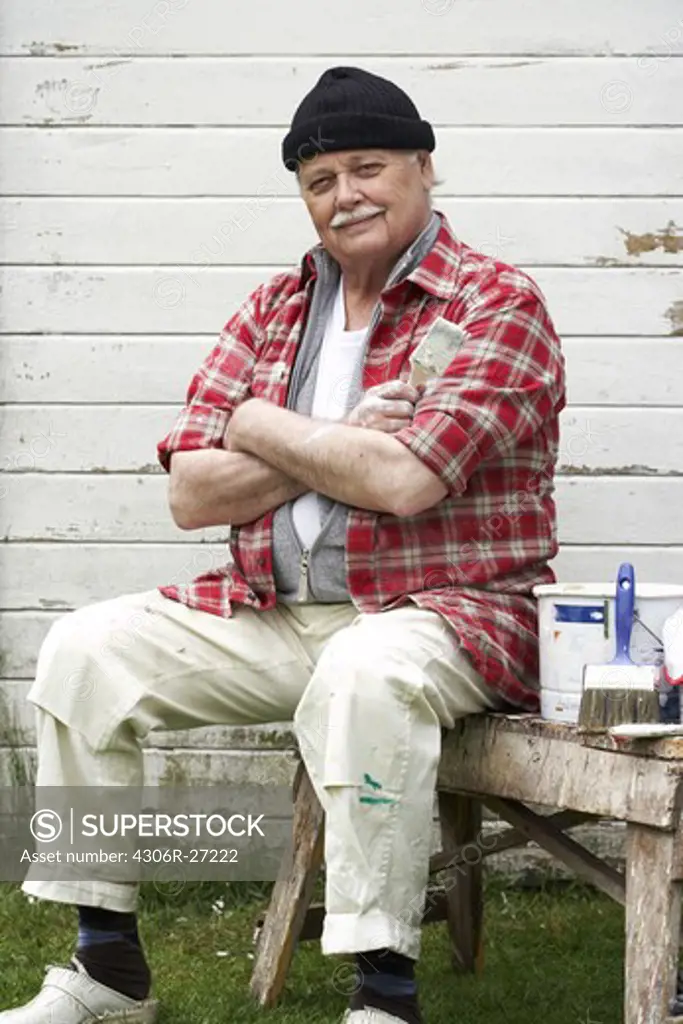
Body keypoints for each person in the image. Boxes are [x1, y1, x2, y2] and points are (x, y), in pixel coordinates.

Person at [1, 66, 566, 1024]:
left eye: (367, 166)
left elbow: (405, 481)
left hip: (448, 615)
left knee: (364, 671)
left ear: (423, 167)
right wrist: (334, 428)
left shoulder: (493, 305)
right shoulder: (273, 309)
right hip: (271, 603)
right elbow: (190, 492)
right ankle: (107, 971)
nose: (345, 195)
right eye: (318, 180)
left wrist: (258, 426)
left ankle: (383, 994)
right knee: (83, 651)